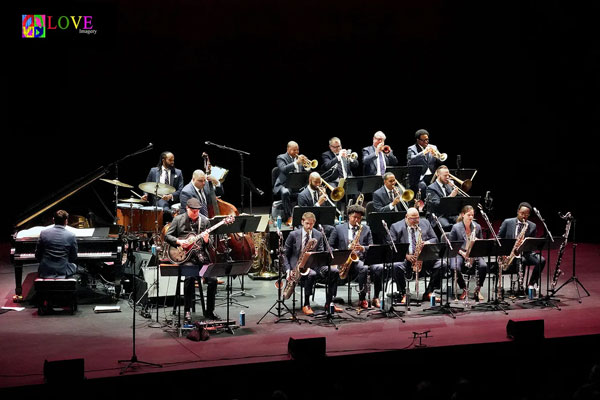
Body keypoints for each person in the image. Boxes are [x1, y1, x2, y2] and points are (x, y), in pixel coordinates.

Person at [164, 198, 219, 321]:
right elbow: (167, 236)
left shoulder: (204, 221)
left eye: (198, 211)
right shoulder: (178, 219)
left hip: (201, 256)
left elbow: (210, 245)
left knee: (213, 280)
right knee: (189, 277)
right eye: (193, 211)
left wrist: (206, 240)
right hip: (185, 257)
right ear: (187, 208)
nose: (195, 213)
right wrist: (179, 241)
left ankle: (209, 311)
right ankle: (187, 310)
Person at [282, 212, 342, 315]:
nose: (309, 226)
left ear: (314, 223)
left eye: (311, 224)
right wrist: (288, 270)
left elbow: (321, 251)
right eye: (307, 223)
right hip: (298, 265)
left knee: (335, 271)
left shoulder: (318, 234)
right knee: (311, 274)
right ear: (302, 222)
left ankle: (329, 303)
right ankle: (306, 304)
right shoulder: (293, 234)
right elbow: (284, 254)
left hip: (315, 264)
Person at [329, 205, 382, 309]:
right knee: (362, 268)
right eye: (354, 217)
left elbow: (371, 246)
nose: (356, 220)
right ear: (349, 216)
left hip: (360, 259)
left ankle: (368, 298)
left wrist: (362, 248)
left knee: (372, 268)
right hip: (344, 260)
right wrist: (338, 254)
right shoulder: (339, 228)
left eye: (359, 218)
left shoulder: (366, 229)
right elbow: (330, 245)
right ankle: (333, 300)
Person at [389, 207, 442, 303]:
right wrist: (406, 256)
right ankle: (403, 293)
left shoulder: (425, 223)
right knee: (396, 266)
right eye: (413, 218)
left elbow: (435, 238)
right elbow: (392, 246)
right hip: (406, 259)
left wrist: (426, 243)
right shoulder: (396, 227)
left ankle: (429, 292)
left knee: (442, 264)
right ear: (406, 217)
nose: (416, 221)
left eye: (417, 218)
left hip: (423, 257)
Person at [498, 202, 545, 289]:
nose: (524, 216)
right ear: (518, 211)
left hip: (525, 252)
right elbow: (499, 239)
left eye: (526, 215)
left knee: (541, 260)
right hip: (510, 253)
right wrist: (502, 253)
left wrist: (524, 244)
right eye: (522, 213)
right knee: (521, 260)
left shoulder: (532, 226)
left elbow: (532, 245)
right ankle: (519, 286)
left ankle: (531, 284)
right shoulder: (507, 222)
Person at [447, 205, 488, 301]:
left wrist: (477, 241)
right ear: (462, 215)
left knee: (483, 266)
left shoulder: (477, 227)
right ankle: (464, 289)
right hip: (460, 252)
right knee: (454, 267)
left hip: (474, 252)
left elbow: (481, 242)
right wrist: (462, 253)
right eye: (468, 215)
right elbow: (451, 245)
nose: (471, 217)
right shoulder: (456, 227)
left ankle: (478, 289)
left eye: (472, 215)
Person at [141, 151, 184, 221]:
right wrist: (145, 195)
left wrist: (170, 196)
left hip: (173, 201)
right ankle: (170, 212)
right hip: (158, 200)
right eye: (170, 160)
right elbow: (146, 185)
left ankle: (170, 212)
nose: (172, 162)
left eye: (173, 160)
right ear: (163, 160)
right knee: (162, 202)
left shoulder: (178, 172)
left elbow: (181, 189)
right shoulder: (153, 171)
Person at [273, 141, 310, 224]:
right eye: (294, 150)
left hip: (298, 184)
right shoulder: (281, 158)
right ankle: (289, 216)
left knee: (307, 191)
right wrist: (296, 163)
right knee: (285, 192)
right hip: (284, 185)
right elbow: (284, 169)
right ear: (288, 149)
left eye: (297, 150)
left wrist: (307, 165)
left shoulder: (301, 158)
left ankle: (301, 216)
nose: (296, 152)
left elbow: (307, 171)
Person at [35, 210, 79, 278]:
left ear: (53, 220)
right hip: (63, 270)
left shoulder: (43, 233)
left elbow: (38, 254)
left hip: (45, 270)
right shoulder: (71, 235)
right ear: (66, 221)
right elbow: (73, 257)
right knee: (75, 266)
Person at [407, 129, 443, 199]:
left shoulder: (433, 147)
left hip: (433, 175)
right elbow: (411, 161)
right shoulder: (411, 148)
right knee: (423, 187)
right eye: (424, 140)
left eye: (427, 139)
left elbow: (441, 161)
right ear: (418, 140)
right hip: (420, 176)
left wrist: (437, 156)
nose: (426, 142)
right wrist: (423, 152)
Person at [426, 165, 460, 231]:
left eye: (448, 175)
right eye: (445, 175)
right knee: (448, 226)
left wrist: (455, 190)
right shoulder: (431, 188)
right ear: (438, 175)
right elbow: (438, 205)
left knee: (463, 223)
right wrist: (451, 196)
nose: (447, 177)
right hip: (438, 216)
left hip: (450, 214)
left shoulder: (449, 186)